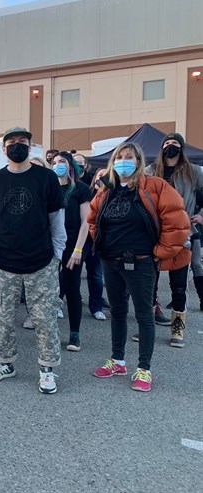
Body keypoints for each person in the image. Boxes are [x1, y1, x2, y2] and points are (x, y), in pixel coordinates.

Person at [90, 141, 189, 392]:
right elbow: (92, 219)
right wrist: (100, 243)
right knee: (118, 312)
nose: (124, 160)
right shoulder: (106, 190)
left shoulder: (155, 186)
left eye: (130, 156)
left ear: (138, 161)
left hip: (141, 262)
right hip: (110, 261)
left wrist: (160, 253)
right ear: (113, 161)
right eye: (120, 156)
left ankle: (144, 368)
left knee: (144, 314)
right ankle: (118, 360)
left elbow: (176, 221)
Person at [0, 127, 66, 394]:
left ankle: (47, 370)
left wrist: (57, 257)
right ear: (3, 149)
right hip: (2, 262)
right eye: (12, 142)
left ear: (31, 146)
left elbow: (57, 221)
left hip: (41, 262)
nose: (17, 145)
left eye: (22, 142)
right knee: (3, 317)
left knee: (45, 319)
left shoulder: (46, 178)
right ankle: (5, 363)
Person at [144, 132, 203, 347]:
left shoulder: (193, 172)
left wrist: (201, 216)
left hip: (182, 232)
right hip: (153, 234)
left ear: (182, 148)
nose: (170, 146)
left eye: (175, 143)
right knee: (149, 284)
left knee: (178, 285)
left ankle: (177, 329)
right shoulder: (150, 171)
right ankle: (147, 327)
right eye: (167, 143)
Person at [52, 152, 91, 352]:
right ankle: (49, 332)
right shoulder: (49, 189)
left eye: (62, 162)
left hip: (72, 246)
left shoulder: (81, 190)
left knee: (72, 288)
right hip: (50, 246)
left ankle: (74, 334)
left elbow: (86, 222)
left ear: (70, 166)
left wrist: (78, 249)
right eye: (55, 162)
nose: (58, 165)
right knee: (49, 291)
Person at [84, 168, 108, 321]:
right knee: (68, 274)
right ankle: (59, 301)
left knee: (96, 275)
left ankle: (96, 307)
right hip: (83, 239)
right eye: (100, 176)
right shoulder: (87, 193)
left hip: (99, 242)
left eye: (106, 176)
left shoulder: (112, 195)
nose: (103, 179)